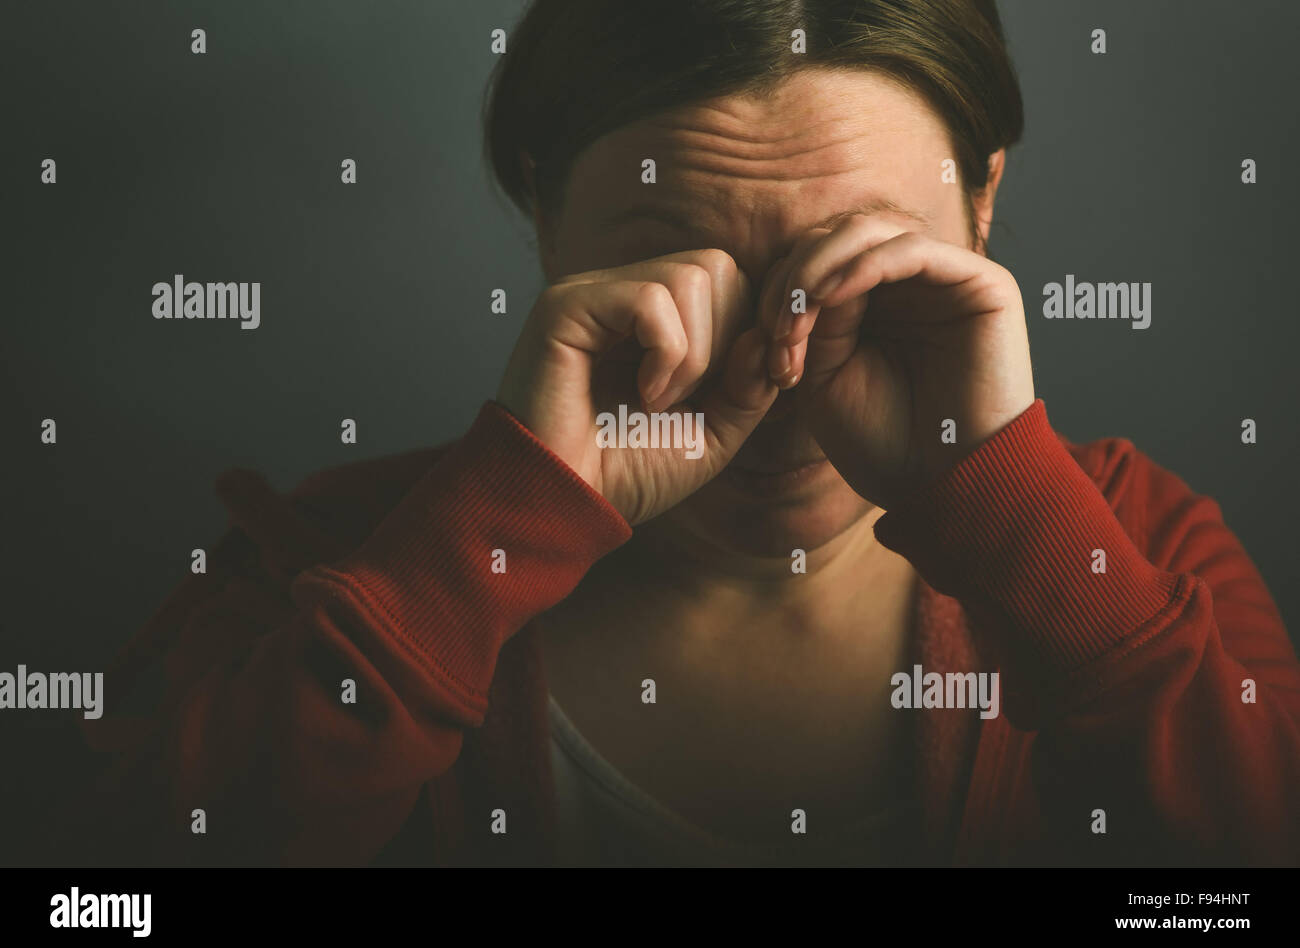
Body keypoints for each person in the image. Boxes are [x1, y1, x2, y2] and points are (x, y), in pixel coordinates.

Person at [63, 0, 1299, 867]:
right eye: (677, 275)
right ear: (546, 222)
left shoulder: (1133, 552)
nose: (782, 361)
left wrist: (1012, 506)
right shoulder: (326, 566)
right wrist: (482, 541)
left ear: (980, 206)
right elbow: (97, 902)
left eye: (862, 270)